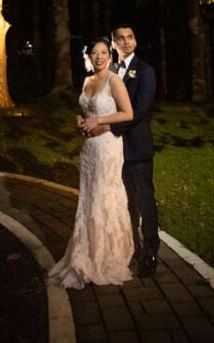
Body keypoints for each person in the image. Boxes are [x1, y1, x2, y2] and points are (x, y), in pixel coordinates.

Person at [48, 38, 135, 289]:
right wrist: (81, 120)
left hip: (108, 146)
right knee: (88, 198)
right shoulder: (87, 81)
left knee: (103, 195)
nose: (99, 56)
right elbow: (86, 112)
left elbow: (128, 113)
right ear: (89, 56)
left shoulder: (114, 80)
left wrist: (100, 121)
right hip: (88, 149)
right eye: (94, 52)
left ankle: (109, 255)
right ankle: (85, 251)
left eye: (103, 52)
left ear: (110, 56)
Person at [84, 23, 159, 277]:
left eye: (130, 37)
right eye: (120, 38)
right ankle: (128, 247)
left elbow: (138, 111)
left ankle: (150, 252)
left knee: (144, 200)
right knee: (123, 202)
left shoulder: (145, 71)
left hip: (136, 149)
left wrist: (107, 129)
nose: (126, 42)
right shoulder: (111, 70)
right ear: (113, 43)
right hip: (112, 154)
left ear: (135, 41)